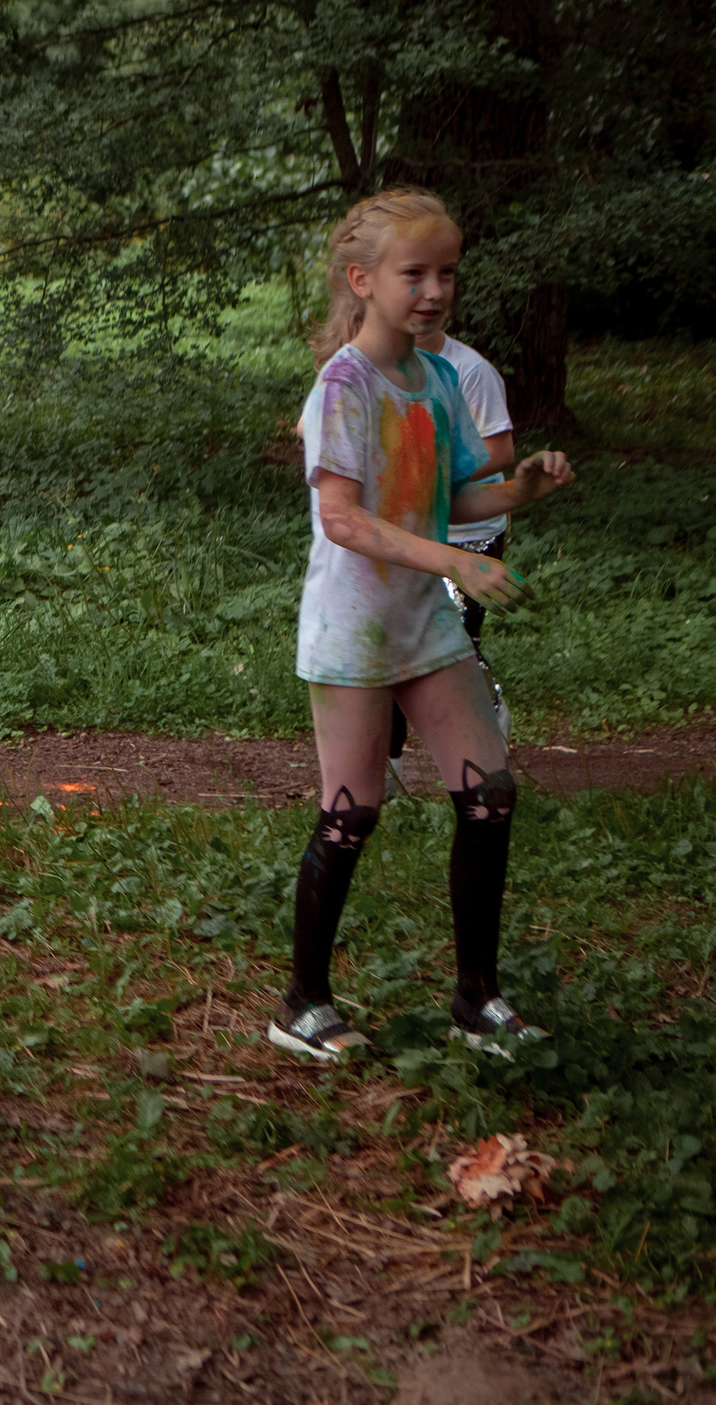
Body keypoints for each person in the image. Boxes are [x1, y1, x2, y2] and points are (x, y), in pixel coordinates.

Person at [276, 190, 575, 1065]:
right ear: (363, 280)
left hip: (422, 626)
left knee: (490, 793)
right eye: (415, 273)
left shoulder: (438, 378)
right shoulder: (343, 384)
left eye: (446, 272)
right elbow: (346, 520)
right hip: (353, 631)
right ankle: (302, 1001)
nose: (435, 289)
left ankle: (477, 998)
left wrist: (522, 492)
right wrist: (455, 562)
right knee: (350, 812)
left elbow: (450, 496)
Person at [387, 281, 517, 790]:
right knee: (395, 649)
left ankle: (487, 731)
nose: (428, 300)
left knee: (453, 650)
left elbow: (501, 451)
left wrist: (429, 475)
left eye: (442, 281)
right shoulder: (375, 369)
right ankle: (389, 775)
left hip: (470, 535)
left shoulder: (470, 371)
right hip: (409, 535)